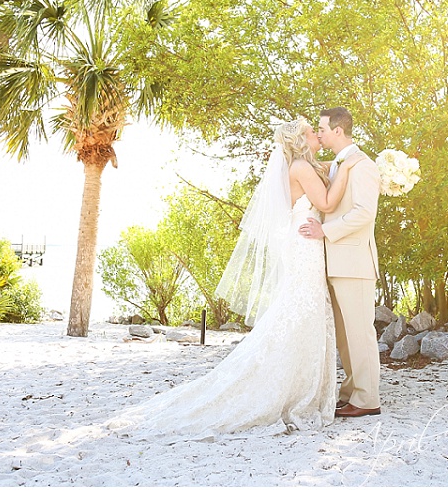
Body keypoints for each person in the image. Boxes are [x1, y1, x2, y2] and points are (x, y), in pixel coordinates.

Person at [106, 119, 359, 439]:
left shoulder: (298, 166)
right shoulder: (301, 168)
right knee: (303, 311)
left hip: (301, 244)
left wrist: (341, 162)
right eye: (312, 132)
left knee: (300, 311)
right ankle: (292, 388)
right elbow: (325, 203)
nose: (316, 136)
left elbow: (326, 171)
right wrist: (349, 169)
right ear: (301, 139)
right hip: (306, 245)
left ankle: (293, 382)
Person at [299, 107, 381, 418]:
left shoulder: (361, 165)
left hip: (355, 261)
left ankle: (368, 399)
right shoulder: (337, 163)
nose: (318, 134)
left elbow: (363, 213)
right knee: (346, 337)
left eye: (321, 129)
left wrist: (325, 231)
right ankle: (352, 393)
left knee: (360, 333)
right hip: (336, 262)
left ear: (338, 130)